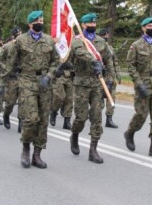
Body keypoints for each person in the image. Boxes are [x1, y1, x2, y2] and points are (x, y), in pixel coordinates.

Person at [3, 11, 59, 168]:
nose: (40, 22)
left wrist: (49, 75)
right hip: (27, 81)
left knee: (43, 120)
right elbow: (10, 63)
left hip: (45, 83)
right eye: (37, 20)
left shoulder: (49, 40)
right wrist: (2, 84)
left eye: (42, 20)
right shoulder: (20, 41)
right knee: (31, 118)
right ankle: (26, 148)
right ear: (30, 24)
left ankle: (37, 154)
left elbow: (55, 61)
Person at [69, 13, 115, 164]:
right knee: (81, 118)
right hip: (81, 83)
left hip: (97, 84)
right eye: (89, 23)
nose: (93, 26)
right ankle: (75, 134)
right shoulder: (77, 40)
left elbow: (108, 62)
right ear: (83, 25)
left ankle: (93, 150)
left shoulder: (101, 42)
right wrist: (94, 61)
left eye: (94, 23)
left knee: (97, 116)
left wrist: (109, 80)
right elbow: (80, 53)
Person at [123, 16, 152, 158]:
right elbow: (131, 66)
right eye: (149, 27)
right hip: (143, 83)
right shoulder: (136, 45)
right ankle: (130, 132)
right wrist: (138, 84)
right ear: (143, 28)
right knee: (141, 115)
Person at [0, 27, 22, 131]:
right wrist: (6, 67)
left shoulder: (26, 46)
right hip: (11, 78)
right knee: (10, 102)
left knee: (23, 101)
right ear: (14, 35)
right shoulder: (7, 46)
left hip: (23, 77)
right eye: (18, 33)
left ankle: (21, 123)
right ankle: (6, 115)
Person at [97, 28, 120, 128]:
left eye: (107, 35)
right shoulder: (94, 47)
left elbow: (115, 62)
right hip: (100, 76)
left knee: (111, 97)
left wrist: (117, 74)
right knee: (99, 98)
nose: (106, 37)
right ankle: (96, 117)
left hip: (110, 76)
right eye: (105, 35)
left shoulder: (110, 48)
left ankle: (109, 119)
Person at [49, 51, 74, 130]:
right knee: (59, 97)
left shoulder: (73, 48)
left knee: (69, 99)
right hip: (59, 76)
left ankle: (67, 121)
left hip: (70, 76)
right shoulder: (56, 48)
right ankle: (54, 111)